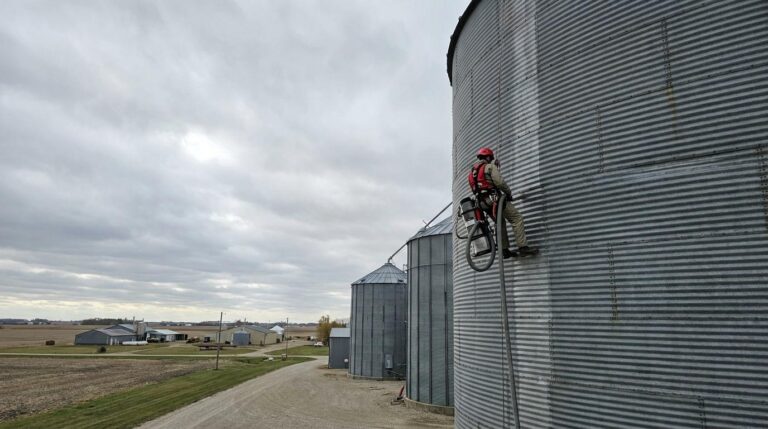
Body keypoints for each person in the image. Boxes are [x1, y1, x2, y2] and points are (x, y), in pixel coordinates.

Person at [467, 147, 537, 258]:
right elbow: (499, 183)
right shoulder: (490, 167)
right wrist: (508, 193)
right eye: (490, 158)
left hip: (482, 204)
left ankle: (504, 250)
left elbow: (480, 185)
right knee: (516, 218)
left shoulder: (472, 173)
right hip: (494, 200)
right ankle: (523, 247)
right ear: (488, 157)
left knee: (500, 222)